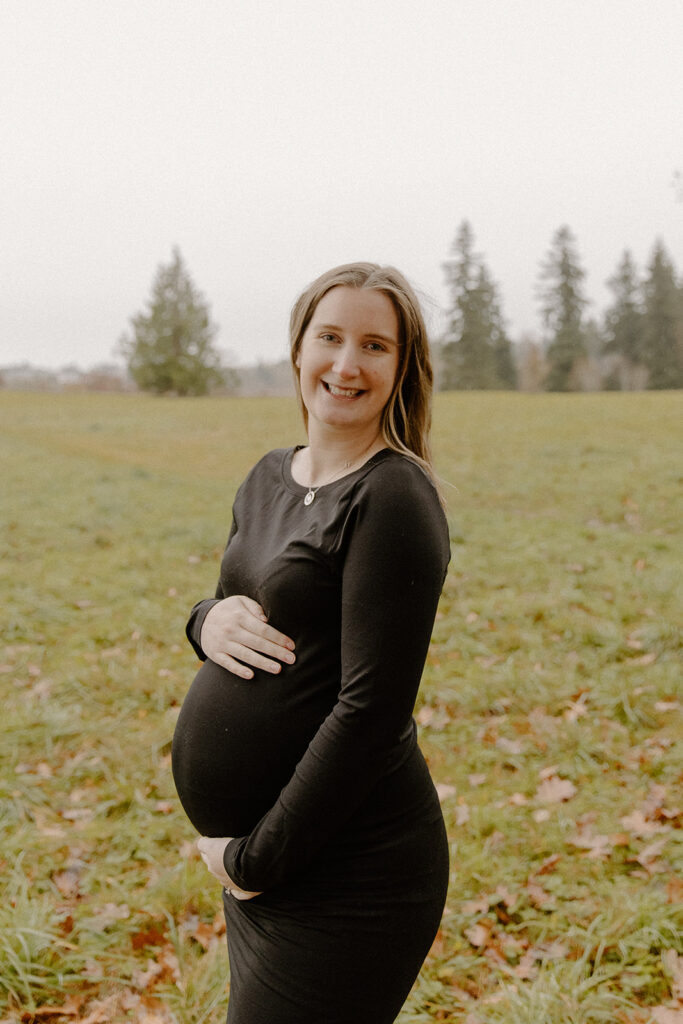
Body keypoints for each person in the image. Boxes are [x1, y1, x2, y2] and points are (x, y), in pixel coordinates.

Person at [171, 262, 451, 1024]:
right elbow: (245, 603)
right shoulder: (267, 476)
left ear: (401, 369)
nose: (346, 363)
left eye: (374, 345)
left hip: (348, 868)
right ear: (298, 349)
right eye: (329, 337)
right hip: (276, 863)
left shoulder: (391, 496)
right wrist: (202, 621)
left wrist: (253, 861)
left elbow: (371, 711)